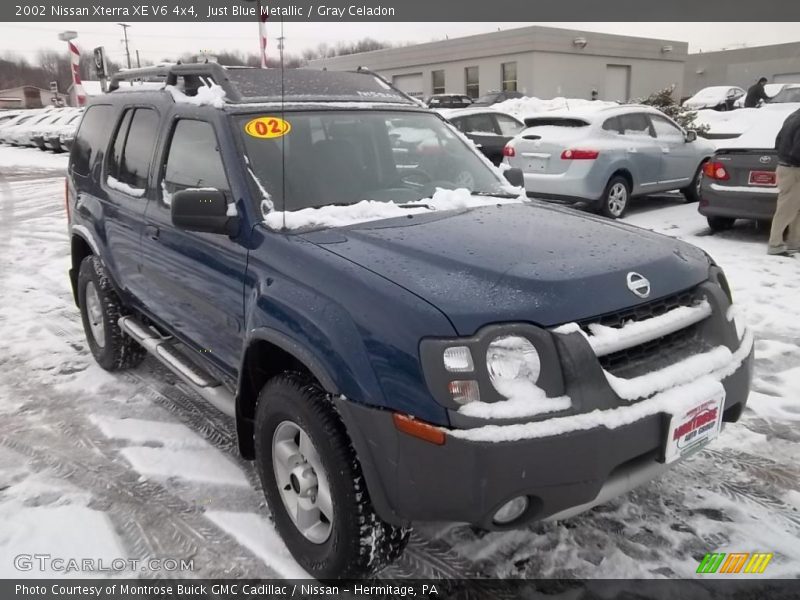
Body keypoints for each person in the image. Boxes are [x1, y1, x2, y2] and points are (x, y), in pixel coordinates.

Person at [769, 107, 800, 255]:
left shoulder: (792, 116)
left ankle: (795, 242)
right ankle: (775, 245)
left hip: (785, 166)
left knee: (795, 208)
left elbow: (778, 141)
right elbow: (798, 150)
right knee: (786, 210)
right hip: (794, 170)